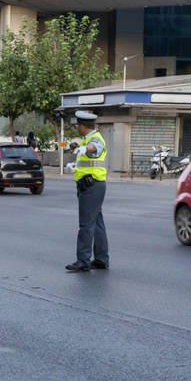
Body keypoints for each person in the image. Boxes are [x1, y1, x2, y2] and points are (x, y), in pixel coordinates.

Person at [66, 110, 109, 272]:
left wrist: (86, 149)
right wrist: (74, 166)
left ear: (84, 126)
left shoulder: (95, 139)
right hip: (92, 184)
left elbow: (95, 148)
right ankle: (101, 259)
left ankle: (83, 260)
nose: (77, 127)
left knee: (86, 224)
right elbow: (90, 163)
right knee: (97, 222)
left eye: (78, 125)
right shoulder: (86, 140)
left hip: (91, 187)